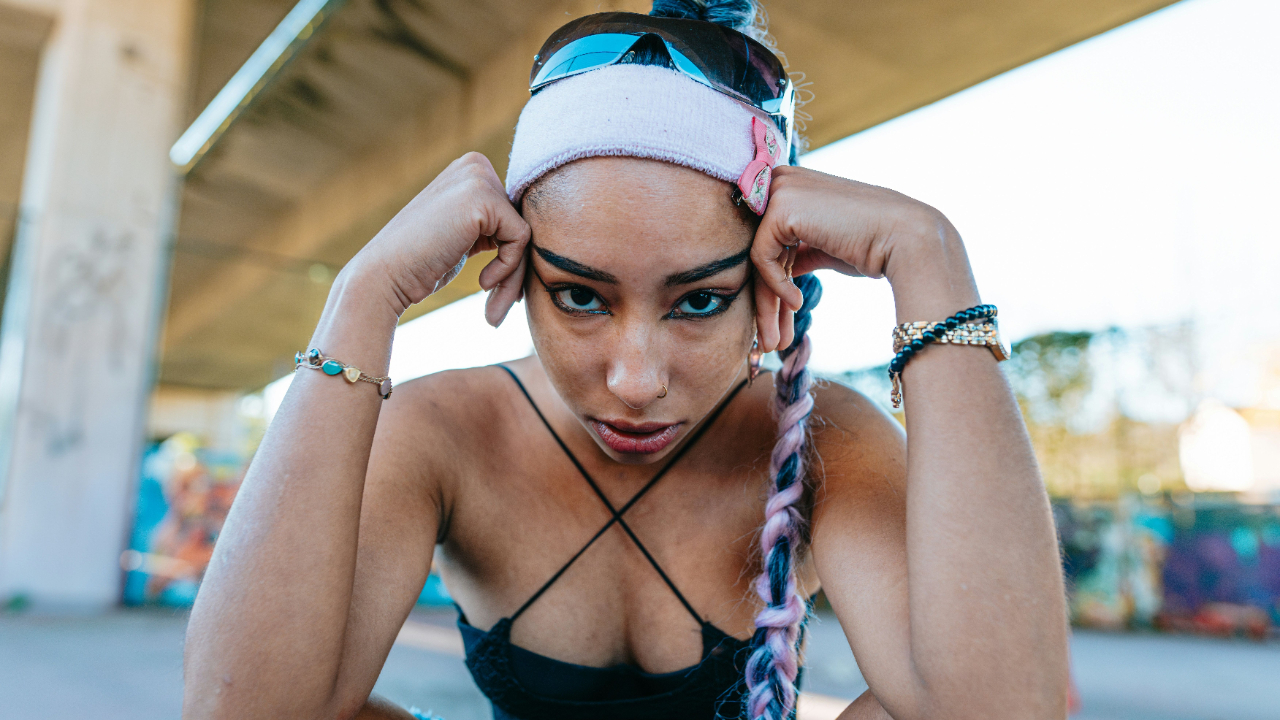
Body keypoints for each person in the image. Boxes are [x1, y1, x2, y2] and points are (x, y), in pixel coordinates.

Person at [182, 2, 1069, 719]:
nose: (636, 380)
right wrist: (361, 297)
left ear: (774, 282)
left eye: (697, 301)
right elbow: (240, 711)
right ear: (516, 269)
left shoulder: (824, 439)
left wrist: (930, 257)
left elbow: (1002, 709)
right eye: (579, 296)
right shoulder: (443, 432)